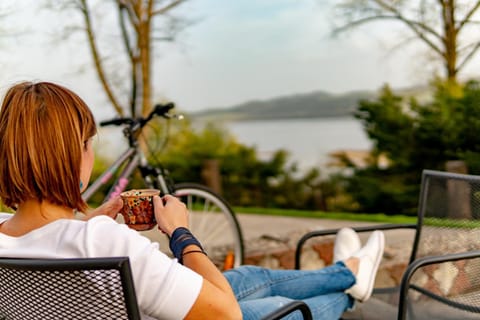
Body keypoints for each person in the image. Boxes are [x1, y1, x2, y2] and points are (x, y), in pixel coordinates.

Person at [0, 81, 385, 320]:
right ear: (73, 157)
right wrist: (179, 233)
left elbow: (50, 243)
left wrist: (89, 219)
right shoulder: (106, 245)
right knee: (278, 308)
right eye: (87, 145)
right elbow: (227, 315)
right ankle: (349, 292)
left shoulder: (11, 236)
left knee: (251, 277)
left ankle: (349, 270)